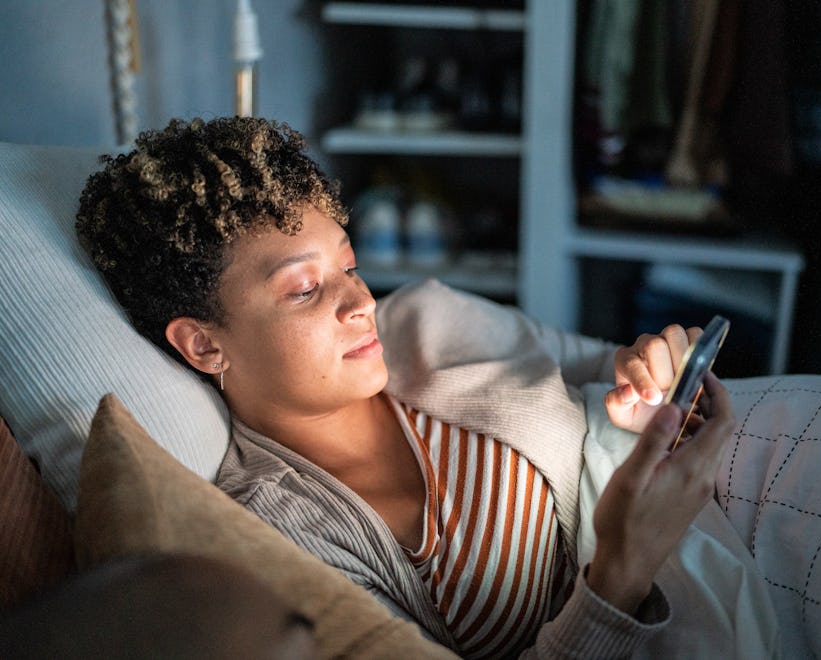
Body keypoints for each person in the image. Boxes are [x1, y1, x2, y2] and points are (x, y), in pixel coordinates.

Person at [75, 116, 741, 658]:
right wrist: (623, 569)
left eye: (348, 264)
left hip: (735, 483)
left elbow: (597, 365)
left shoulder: (426, 317)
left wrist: (645, 370)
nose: (360, 301)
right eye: (305, 289)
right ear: (204, 344)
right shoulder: (278, 536)